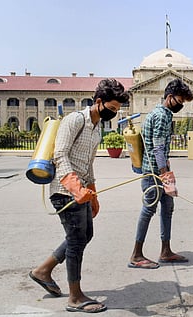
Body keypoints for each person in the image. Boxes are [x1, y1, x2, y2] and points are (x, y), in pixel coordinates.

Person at [29, 78, 129, 313]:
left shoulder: (96, 129)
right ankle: (75, 297)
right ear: (98, 102)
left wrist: (92, 193)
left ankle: (42, 271)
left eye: (117, 110)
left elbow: (88, 164)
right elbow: (60, 154)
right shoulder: (75, 120)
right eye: (111, 108)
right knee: (76, 240)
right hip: (64, 192)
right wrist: (75, 187)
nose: (113, 114)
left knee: (86, 234)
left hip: (81, 191)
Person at [129, 78, 193, 269]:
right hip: (154, 174)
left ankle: (166, 251)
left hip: (157, 169)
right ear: (170, 97)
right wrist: (165, 177)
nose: (181, 105)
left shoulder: (157, 113)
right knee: (148, 210)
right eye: (180, 101)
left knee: (167, 208)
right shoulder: (163, 115)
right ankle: (136, 254)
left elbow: (161, 149)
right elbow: (158, 148)